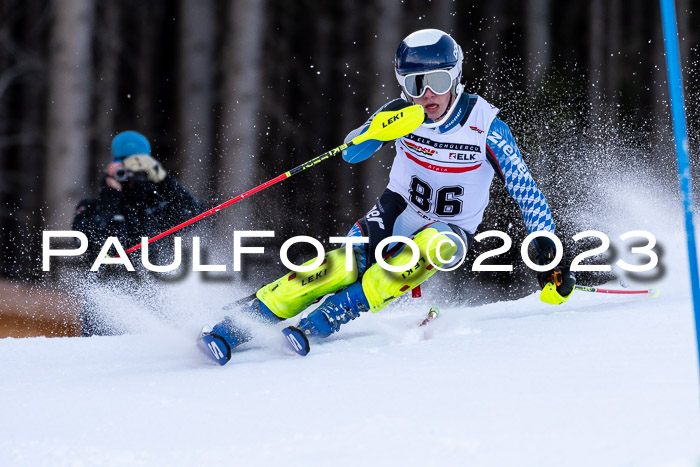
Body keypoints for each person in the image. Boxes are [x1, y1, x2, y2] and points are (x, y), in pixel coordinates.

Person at [199, 29, 575, 364]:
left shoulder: (485, 126)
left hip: (451, 229)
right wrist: (375, 132)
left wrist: (546, 246)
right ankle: (246, 320)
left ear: (456, 78)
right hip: (398, 211)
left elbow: (525, 189)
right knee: (340, 267)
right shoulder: (401, 114)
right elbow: (350, 153)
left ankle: (334, 314)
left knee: (429, 248)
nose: (427, 95)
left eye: (438, 80)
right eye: (415, 84)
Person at [72, 130, 203, 335]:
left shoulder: (159, 209)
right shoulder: (92, 208)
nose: (131, 176)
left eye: (138, 168)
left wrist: (164, 180)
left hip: (155, 299)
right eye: (124, 167)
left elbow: (196, 216)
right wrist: (111, 195)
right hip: (107, 304)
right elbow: (87, 241)